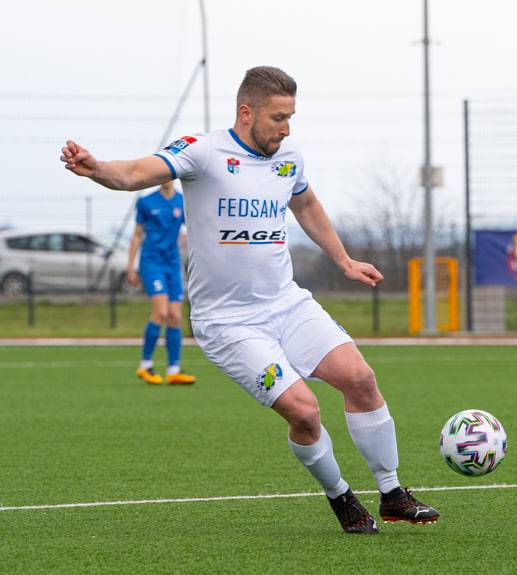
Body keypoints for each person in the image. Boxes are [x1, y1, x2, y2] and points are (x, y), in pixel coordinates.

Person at [61, 66, 438, 534]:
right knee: (304, 411)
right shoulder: (203, 152)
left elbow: (306, 204)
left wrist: (343, 260)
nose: (287, 127)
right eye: (279, 117)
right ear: (246, 112)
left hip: (287, 304)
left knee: (360, 378)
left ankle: (392, 493)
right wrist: (96, 168)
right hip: (229, 323)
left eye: (291, 117)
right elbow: (137, 172)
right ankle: (341, 497)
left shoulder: (290, 155)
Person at [127, 179, 196, 385]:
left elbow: (194, 229)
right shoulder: (146, 202)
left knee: (175, 316)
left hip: (172, 264)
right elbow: (137, 234)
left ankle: (174, 369)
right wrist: (130, 266)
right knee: (161, 313)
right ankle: (145, 365)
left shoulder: (183, 202)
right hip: (151, 262)